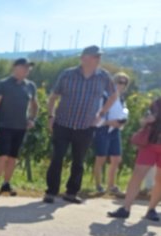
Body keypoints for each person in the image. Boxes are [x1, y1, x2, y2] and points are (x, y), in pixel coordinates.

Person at [43, 45, 118, 204]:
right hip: (62, 123)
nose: (98, 59)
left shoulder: (104, 76)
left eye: (99, 56)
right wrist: (50, 116)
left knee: (79, 161)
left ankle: (71, 193)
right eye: (95, 56)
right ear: (84, 58)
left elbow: (113, 96)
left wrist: (101, 113)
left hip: (86, 126)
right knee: (57, 158)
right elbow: (53, 97)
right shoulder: (67, 74)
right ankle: (51, 192)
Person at [0, 58, 39, 197]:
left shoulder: (30, 86)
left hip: (21, 127)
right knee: (2, 155)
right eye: (24, 67)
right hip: (4, 126)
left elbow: (35, 105)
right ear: (15, 67)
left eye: (29, 68)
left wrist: (32, 119)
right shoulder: (3, 84)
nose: (27, 70)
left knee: (12, 157)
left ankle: (6, 184)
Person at [107, 98, 161, 221]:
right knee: (137, 176)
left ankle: (151, 209)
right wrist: (147, 120)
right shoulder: (156, 103)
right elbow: (142, 121)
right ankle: (125, 208)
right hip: (150, 144)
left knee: (160, 180)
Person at [93, 72, 131, 195]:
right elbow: (97, 116)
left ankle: (111, 185)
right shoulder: (104, 96)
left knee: (116, 159)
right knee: (101, 158)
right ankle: (98, 185)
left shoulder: (121, 98)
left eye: (124, 83)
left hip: (115, 130)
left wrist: (120, 122)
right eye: (119, 81)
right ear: (113, 82)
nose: (122, 85)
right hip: (103, 129)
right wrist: (109, 122)